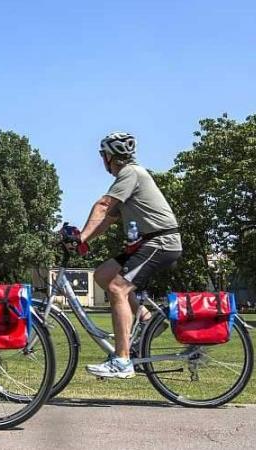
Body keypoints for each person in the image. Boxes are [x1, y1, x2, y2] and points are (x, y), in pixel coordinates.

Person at [71, 132, 182, 378]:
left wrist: (80, 236)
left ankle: (122, 360)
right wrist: (83, 239)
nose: (103, 160)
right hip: (150, 243)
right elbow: (106, 221)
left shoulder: (130, 173)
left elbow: (102, 205)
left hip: (160, 242)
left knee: (118, 289)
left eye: (103, 155)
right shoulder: (128, 180)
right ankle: (146, 318)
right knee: (103, 275)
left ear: (110, 156)